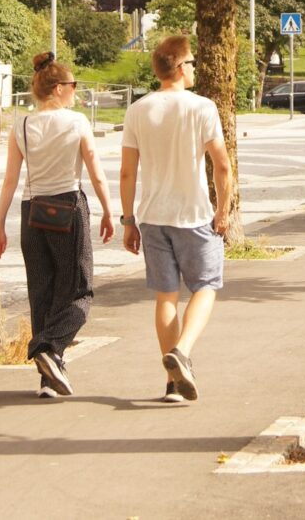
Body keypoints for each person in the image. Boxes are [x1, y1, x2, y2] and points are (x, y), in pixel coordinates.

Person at [0, 52, 115, 398]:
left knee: (41, 293)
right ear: (58, 88)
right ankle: (49, 345)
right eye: (73, 85)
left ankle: (49, 378)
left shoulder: (23, 125)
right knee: (78, 290)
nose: (76, 91)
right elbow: (95, 172)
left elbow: (10, 180)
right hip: (67, 208)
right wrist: (108, 211)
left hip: (33, 213)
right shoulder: (76, 122)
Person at [120, 35, 231, 403]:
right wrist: (223, 211)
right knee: (205, 286)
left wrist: (128, 219)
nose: (195, 68)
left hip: (152, 217)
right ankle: (182, 352)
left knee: (165, 297)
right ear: (181, 68)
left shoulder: (138, 109)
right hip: (194, 214)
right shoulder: (202, 107)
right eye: (193, 62)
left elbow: (126, 173)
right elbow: (222, 166)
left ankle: (172, 385)